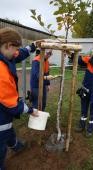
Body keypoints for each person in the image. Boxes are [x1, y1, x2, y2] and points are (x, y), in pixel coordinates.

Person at [0, 27, 39, 170]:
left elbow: (19, 54)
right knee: (1, 145)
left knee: (8, 129)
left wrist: (33, 47)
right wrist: (30, 110)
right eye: (15, 48)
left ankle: (16, 146)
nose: (17, 52)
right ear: (8, 45)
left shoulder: (4, 54)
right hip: (1, 112)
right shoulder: (1, 72)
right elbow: (11, 104)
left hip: (4, 114)